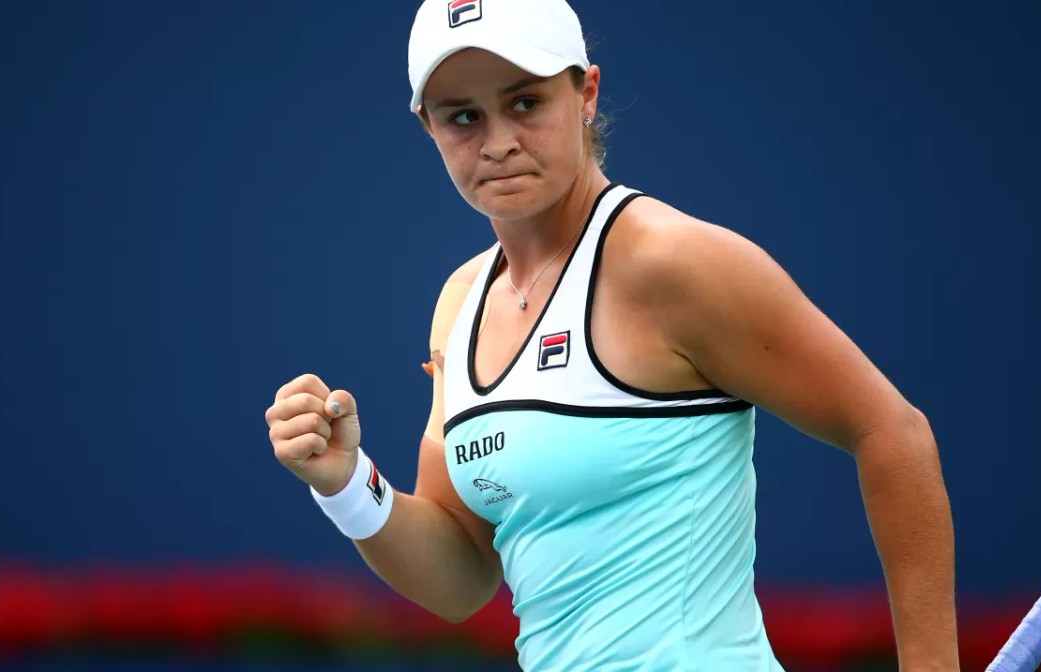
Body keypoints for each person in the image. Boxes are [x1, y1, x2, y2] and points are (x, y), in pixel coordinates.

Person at [264, 0, 959, 669]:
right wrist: (349, 485)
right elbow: (463, 578)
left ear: (587, 92)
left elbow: (891, 432)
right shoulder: (460, 303)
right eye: (463, 117)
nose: (498, 141)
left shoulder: (672, 264)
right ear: (428, 127)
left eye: (525, 103)